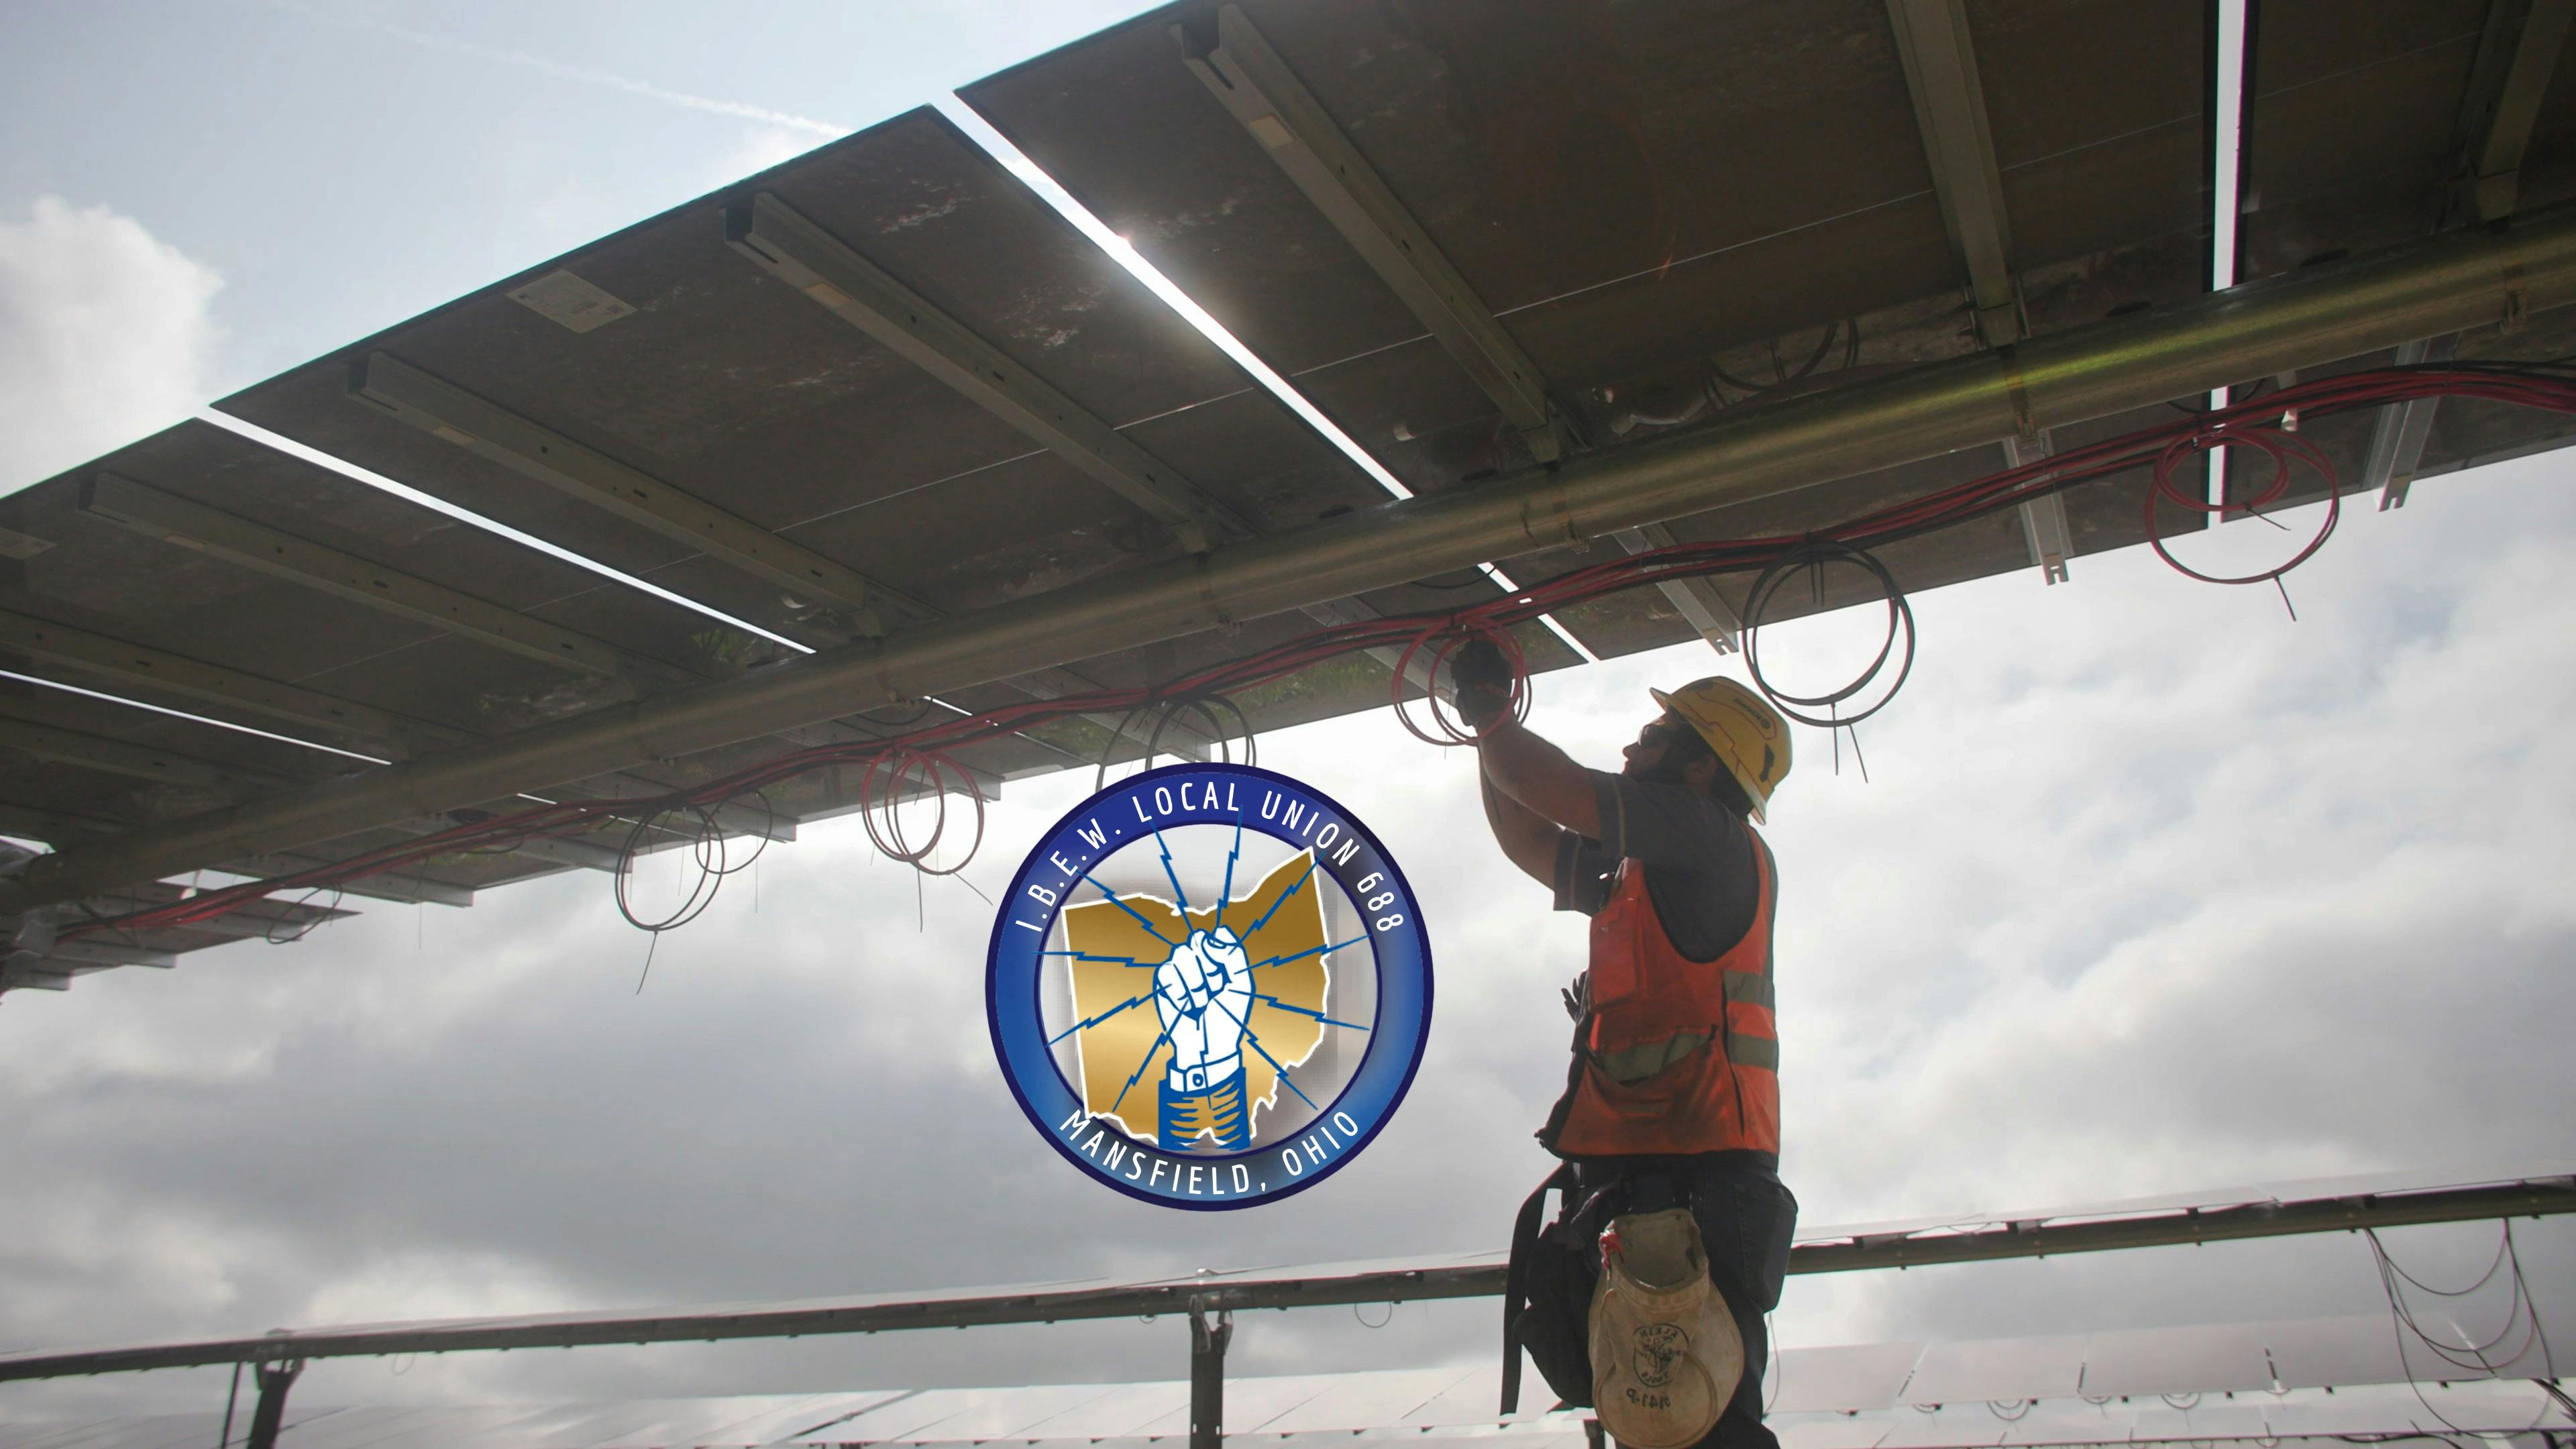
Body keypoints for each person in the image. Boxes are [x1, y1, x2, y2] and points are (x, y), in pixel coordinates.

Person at [1452, 641, 1799, 1449]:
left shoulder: (1707, 839)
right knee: (1658, 1412)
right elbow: (1527, 832)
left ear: (1701, 767)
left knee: (1697, 1418)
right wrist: (1486, 731)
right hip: (1658, 1171)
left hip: (1694, 1177)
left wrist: (1494, 712)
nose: (1630, 750)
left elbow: (1555, 788)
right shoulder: (1658, 866)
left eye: (1652, 737)